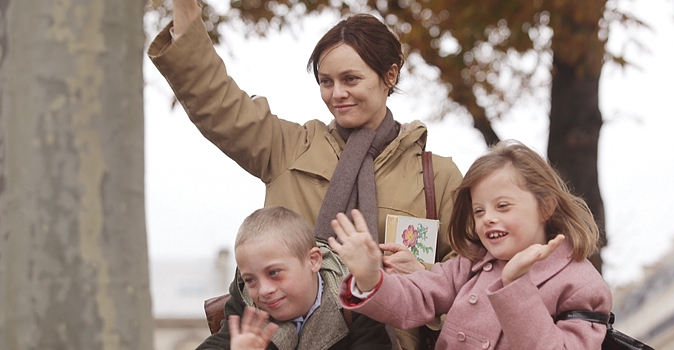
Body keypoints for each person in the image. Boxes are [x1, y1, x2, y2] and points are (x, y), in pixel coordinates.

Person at [149, 3, 463, 348]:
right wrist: (187, 17)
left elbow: (479, 280)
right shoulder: (288, 149)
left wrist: (422, 276)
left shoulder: (436, 176)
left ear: (390, 75)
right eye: (326, 82)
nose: (337, 94)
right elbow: (217, 103)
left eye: (351, 79)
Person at [328, 140, 613, 349]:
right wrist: (368, 278)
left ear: (545, 206)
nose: (488, 219)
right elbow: (416, 297)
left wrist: (515, 285)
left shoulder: (581, 284)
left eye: (503, 206)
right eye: (479, 211)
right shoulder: (473, 260)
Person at [197, 206, 392, 350]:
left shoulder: (356, 302)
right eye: (250, 280)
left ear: (313, 261)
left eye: (274, 273)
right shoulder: (246, 307)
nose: (264, 290)